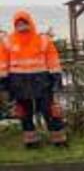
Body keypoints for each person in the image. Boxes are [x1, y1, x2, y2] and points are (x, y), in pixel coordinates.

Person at [0, 10, 67, 148]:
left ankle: (59, 141)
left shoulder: (43, 40)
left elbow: (53, 60)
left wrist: (56, 79)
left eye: (24, 22)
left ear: (30, 22)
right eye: (18, 23)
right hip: (18, 82)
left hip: (41, 81)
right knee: (24, 113)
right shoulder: (7, 41)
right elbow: (2, 63)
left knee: (49, 110)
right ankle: (31, 142)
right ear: (14, 24)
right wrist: (3, 82)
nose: (21, 25)